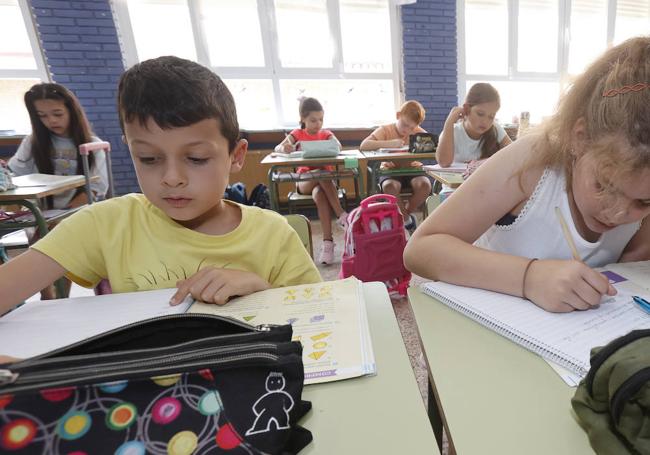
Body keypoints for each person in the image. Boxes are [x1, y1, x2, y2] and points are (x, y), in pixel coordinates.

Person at [0, 56, 321, 314]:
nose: (171, 177)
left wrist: (262, 291)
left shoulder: (274, 235)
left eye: (196, 158)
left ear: (235, 156)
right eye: (149, 159)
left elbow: (322, 316)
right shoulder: (105, 224)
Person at [404, 37, 650, 314]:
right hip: (486, 328)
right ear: (579, 139)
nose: (618, 214)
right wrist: (529, 277)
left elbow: (630, 272)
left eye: (644, 202)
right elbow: (420, 250)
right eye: (605, 187)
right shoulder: (532, 162)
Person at [9, 83, 109, 209]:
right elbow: (14, 176)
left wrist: (61, 219)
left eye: (58, 114)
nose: (52, 120)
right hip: (43, 215)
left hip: (79, 213)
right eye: (42, 116)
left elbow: (95, 188)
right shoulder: (31, 143)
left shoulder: (93, 145)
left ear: (72, 112)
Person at [275, 97, 348, 265]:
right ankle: (342, 215)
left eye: (321, 119)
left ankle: (327, 243)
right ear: (303, 119)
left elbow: (338, 146)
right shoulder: (297, 134)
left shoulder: (326, 133)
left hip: (324, 184)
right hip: (304, 181)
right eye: (313, 120)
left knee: (320, 194)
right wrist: (285, 148)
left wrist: (332, 142)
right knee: (321, 173)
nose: (318, 124)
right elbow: (278, 148)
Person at [360, 100, 432, 232]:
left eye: (412, 127)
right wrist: (390, 143)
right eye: (405, 125)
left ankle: (403, 214)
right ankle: (406, 220)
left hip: (413, 169)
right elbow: (364, 145)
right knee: (389, 187)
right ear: (398, 115)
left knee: (425, 185)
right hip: (390, 170)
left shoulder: (417, 132)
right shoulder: (385, 130)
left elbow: (433, 146)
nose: (407, 130)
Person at [436, 83, 512, 174]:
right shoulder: (453, 131)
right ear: (467, 109)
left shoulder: (496, 129)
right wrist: (449, 122)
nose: (485, 122)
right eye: (480, 114)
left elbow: (514, 154)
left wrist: (485, 162)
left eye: (491, 116)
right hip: (455, 187)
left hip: (487, 185)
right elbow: (444, 162)